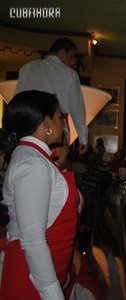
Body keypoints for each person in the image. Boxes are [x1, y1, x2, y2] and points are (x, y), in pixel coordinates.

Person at [0, 91, 79, 298]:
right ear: (47, 123)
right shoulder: (33, 164)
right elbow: (32, 241)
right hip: (30, 280)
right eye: (60, 117)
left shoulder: (34, 158)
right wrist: (53, 292)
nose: (63, 124)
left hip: (38, 274)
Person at [15, 37, 88, 154]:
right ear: (62, 53)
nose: (73, 62)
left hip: (30, 126)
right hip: (56, 126)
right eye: (71, 57)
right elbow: (77, 108)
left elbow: (17, 100)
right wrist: (83, 138)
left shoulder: (27, 68)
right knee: (55, 166)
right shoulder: (69, 74)